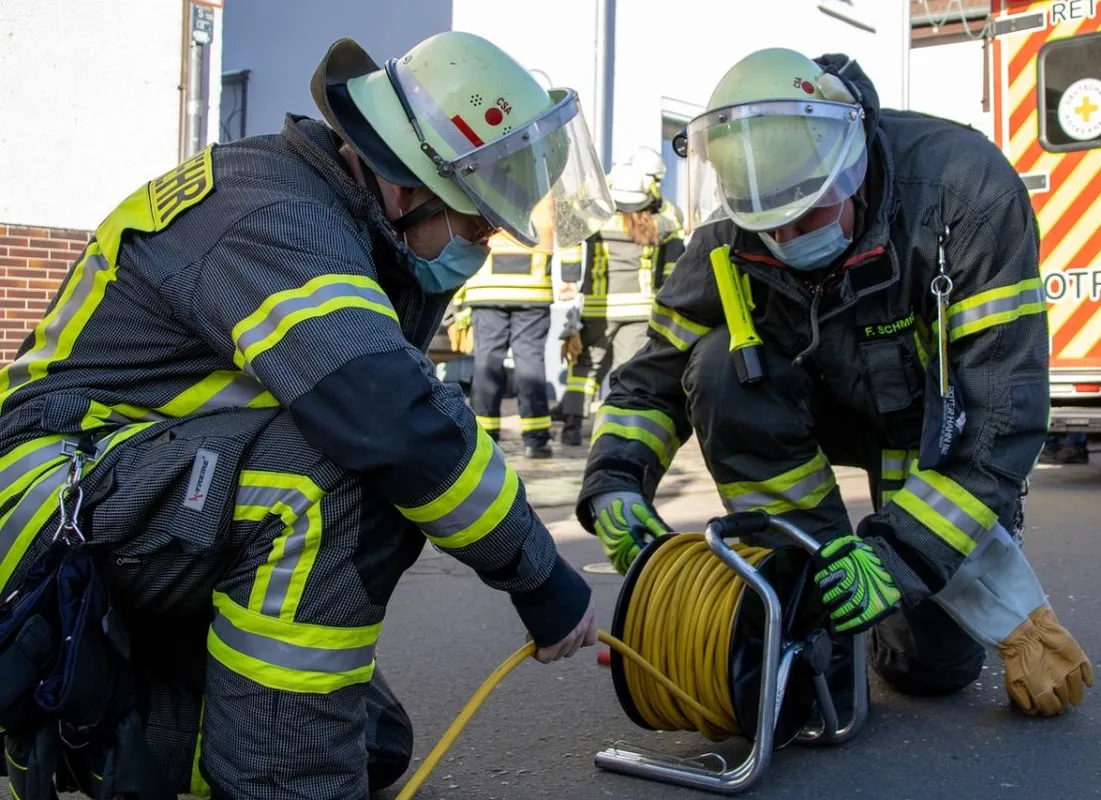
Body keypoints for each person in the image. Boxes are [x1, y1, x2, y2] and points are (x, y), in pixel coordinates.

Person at [0, 31, 612, 799]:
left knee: (372, 745)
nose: (482, 245)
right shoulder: (273, 213)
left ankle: (82, 724)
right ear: (405, 188)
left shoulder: (356, 225)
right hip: (50, 501)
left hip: (141, 494)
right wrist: (537, 575)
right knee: (339, 474)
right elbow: (389, 419)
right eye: (477, 222)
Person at [577, 48, 1093, 716]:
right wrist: (616, 482)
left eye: (809, 213)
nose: (788, 236)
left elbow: (999, 413)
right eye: (769, 222)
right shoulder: (732, 233)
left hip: (926, 441)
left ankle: (887, 610)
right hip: (805, 412)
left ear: (851, 170)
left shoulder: (962, 194)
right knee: (719, 367)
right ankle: (809, 609)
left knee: (929, 671)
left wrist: (900, 557)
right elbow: (653, 377)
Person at [555, 156, 686, 446]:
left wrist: (570, 278)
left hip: (599, 307)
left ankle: (572, 427)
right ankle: (620, 429)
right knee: (628, 370)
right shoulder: (658, 224)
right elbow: (673, 251)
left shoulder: (596, 220)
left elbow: (569, 225)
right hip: (640, 309)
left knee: (584, 367)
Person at [456, 231, 557, 458]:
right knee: (530, 360)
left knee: (486, 362)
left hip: (487, 286)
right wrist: (570, 277)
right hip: (533, 287)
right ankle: (537, 441)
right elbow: (571, 234)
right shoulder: (545, 204)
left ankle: (484, 438)